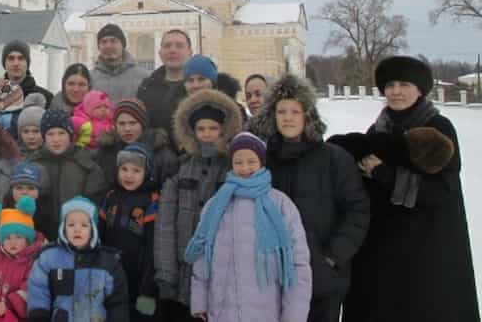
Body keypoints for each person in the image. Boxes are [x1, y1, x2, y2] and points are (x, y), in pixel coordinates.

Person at [338, 56, 479, 322]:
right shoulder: (377, 129)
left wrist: (384, 174)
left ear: (420, 89)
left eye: (404, 84)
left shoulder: (438, 127)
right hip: (385, 247)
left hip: (427, 246)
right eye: (390, 85)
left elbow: (443, 189)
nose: (396, 91)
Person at [249, 74, 369, 322]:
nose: (288, 118)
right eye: (282, 111)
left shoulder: (334, 159)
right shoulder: (260, 160)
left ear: (307, 115)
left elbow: (357, 210)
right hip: (270, 277)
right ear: (272, 115)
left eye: (295, 111)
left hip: (321, 279)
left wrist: (332, 257)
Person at [186, 133, 312, 322]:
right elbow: (202, 259)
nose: (245, 168)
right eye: (238, 162)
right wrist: (199, 305)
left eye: (251, 161)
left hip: (267, 313)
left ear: (261, 162)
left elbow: (298, 265)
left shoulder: (280, 205)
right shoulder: (216, 205)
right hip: (221, 312)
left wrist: (294, 316)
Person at [155, 88, 242, 322]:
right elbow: (165, 225)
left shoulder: (232, 169)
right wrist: (166, 272)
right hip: (185, 268)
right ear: (192, 131)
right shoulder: (180, 168)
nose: (207, 134)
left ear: (223, 130)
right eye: (201, 129)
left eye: (213, 128)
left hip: (222, 271)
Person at [27, 196, 128, 322]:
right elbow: (38, 291)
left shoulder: (109, 262)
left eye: (84, 225)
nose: (77, 229)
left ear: (93, 230)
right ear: (63, 228)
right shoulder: (48, 258)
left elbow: (118, 303)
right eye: (71, 224)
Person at [99, 144, 163, 321]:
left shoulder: (151, 200)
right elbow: (100, 234)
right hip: (111, 271)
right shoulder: (111, 196)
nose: (129, 175)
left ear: (146, 173)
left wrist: (147, 288)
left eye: (136, 170)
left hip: (139, 274)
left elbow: (152, 245)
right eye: (124, 169)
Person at [30, 109, 109, 241]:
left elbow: (96, 201)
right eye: (50, 134)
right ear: (43, 137)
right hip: (41, 237)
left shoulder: (86, 164)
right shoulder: (34, 164)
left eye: (61, 133)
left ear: (71, 135)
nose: (56, 139)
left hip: (78, 238)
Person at [94, 99, 178, 190]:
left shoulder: (162, 154)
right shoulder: (106, 150)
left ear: (142, 124)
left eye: (132, 123)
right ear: (115, 125)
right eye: (122, 123)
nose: (127, 129)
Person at [135, 29, 194, 133]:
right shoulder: (146, 87)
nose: (172, 50)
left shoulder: (200, 86)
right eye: (167, 46)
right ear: (160, 53)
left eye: (179, 46)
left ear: (190, 52)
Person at [91, 23, 151, 104]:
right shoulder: (89, 78)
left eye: (113, 41)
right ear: (99, 47)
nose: (108, 46)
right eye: (104, 42)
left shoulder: (144, 77)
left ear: (122, 45)